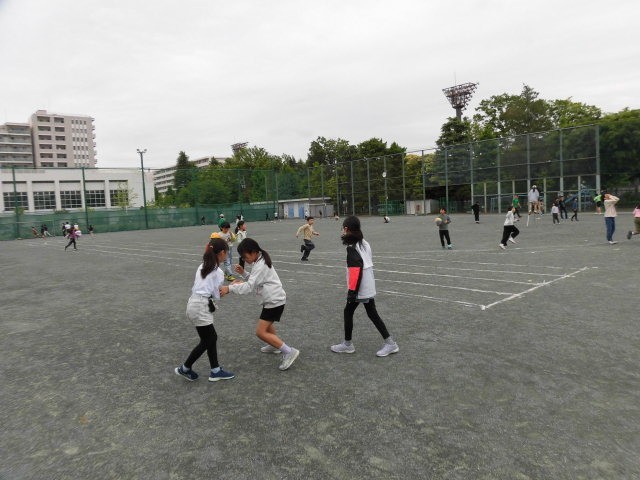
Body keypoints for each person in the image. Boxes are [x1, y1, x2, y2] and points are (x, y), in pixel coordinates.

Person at [220, 238, 299, 371]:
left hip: (274, 301)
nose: (244, 260)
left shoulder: (260, 264)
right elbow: (256, 280)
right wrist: (243, 273)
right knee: (267, 326)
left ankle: (289, 351)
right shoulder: (259, 261)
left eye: (245, 257)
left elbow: (249, 287)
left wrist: (229, 288)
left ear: (254, 252)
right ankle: (274, 345)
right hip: (272, 300)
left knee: (260, 332)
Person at [330, 215, 399, 357]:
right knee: (370, 312)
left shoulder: (352, 248)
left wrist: (352, 293)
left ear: (346, 229)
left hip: (360, 288)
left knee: (350, 312)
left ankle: (348, 344)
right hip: (367, 285)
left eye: (343, 228)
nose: (342, 231)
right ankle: (389, 343)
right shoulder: (364, 243)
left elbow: (355, 272)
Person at [175, 238, 235, 382]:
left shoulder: (202, 266)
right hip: (201, 306)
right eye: (226, 252)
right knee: (209, 339)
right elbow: (217, 294)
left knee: (209, 338)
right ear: (222, 252)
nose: (227, 255)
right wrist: (232, 287)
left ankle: (215, 370)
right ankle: (185, 368)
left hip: (193, 303)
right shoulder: (218, 271)